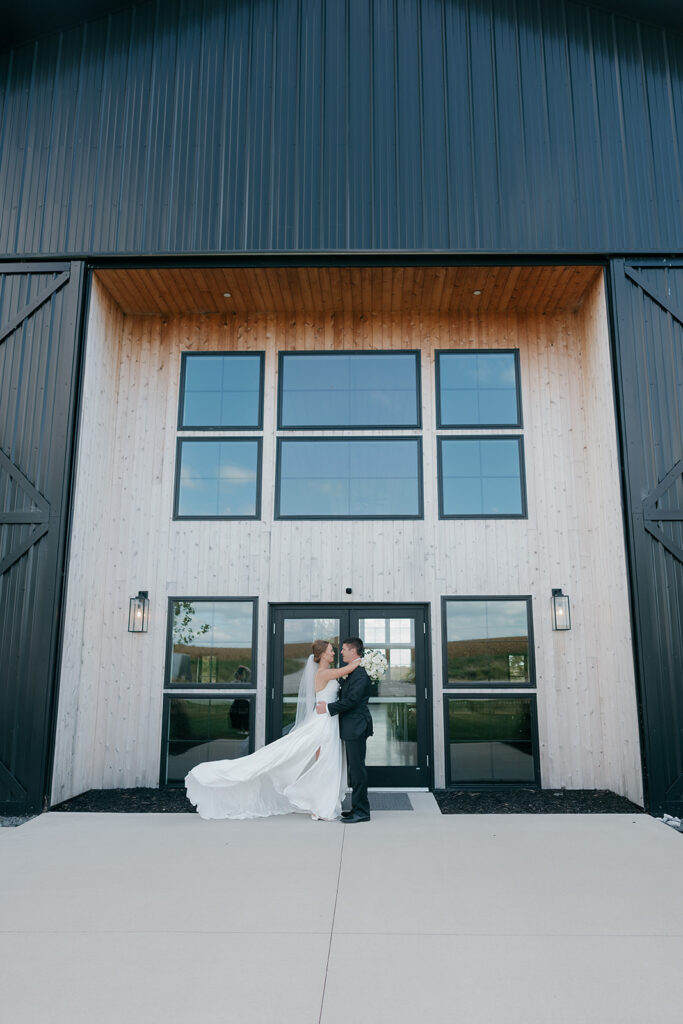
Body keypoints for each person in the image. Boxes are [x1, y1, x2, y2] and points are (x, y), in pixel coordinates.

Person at [184, 640, 359, 821]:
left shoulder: (326, 672)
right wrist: (365, 660)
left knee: (324, 764)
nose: (334, 653)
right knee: (323, 764)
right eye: (331, 650)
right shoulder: (324, 673)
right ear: (322, 654)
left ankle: (319, 805)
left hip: (327, 720)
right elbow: (347, 669)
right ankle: (320, 806)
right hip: (322, 723)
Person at [317, 637, 373, 823]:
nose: (341, 652)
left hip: (356, 727)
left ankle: (362, 812)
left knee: (358, 770)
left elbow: (352, 701)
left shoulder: (360, 674)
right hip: (350, 727)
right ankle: (356, 808)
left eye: (344, 649)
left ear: (353, 651)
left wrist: (328, 709)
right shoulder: (353, 671)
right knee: (354, 770)